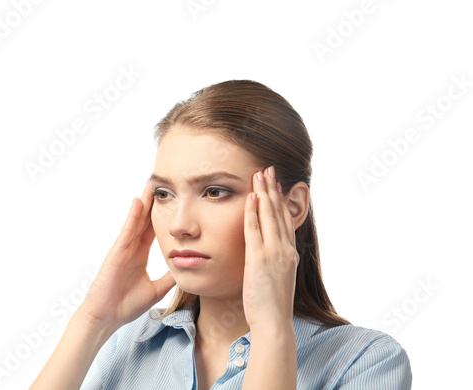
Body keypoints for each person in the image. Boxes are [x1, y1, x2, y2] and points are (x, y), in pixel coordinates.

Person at [30, 80, 412, 389]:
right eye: (164, 194)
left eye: (215, 191)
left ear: (292, 207)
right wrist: (93, 321)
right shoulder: (126, 343)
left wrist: (271, 331)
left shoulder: (365, 362)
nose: (179, 224)